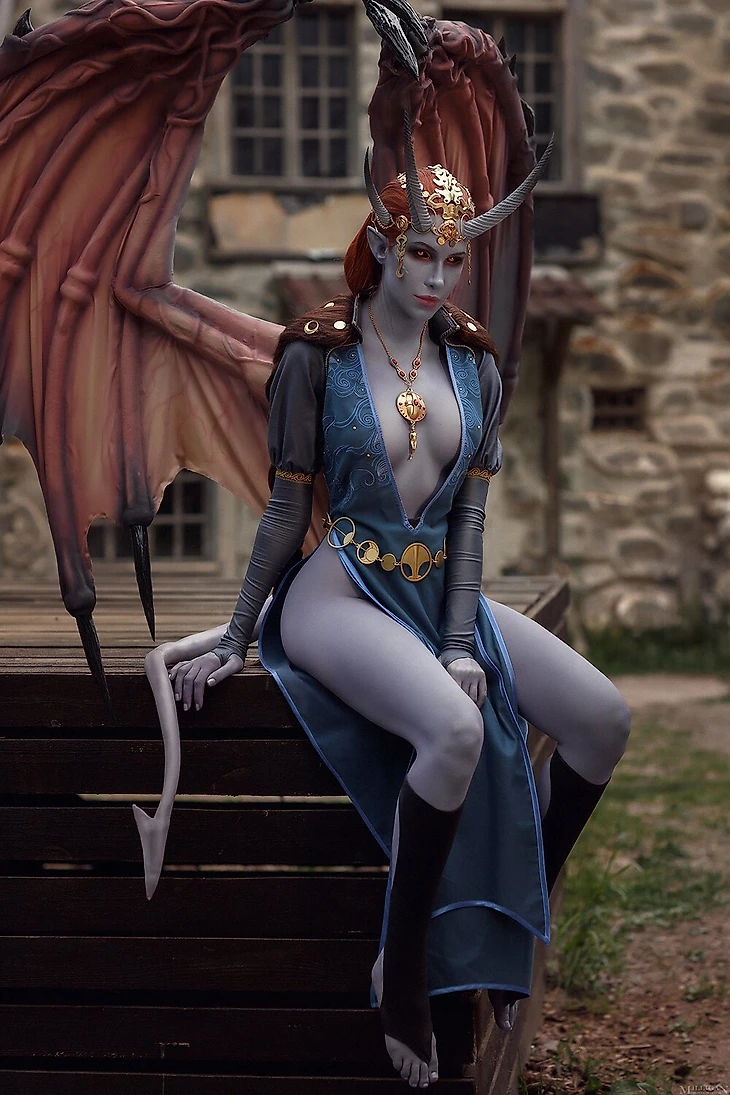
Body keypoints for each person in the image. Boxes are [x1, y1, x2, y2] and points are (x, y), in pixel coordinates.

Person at [156, 119, 632, 1089]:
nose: (438, 276)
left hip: (434, 589)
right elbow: (287, 508)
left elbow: (468, 521)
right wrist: (241, 635)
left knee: (602, 718)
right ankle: (405, 965)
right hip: (337, 592)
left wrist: (460, 641)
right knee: (454, 732)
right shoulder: (316, 355)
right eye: (421, 254)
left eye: (455, 259)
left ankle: (507, 919)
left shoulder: (474, 362)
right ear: (380, 243)